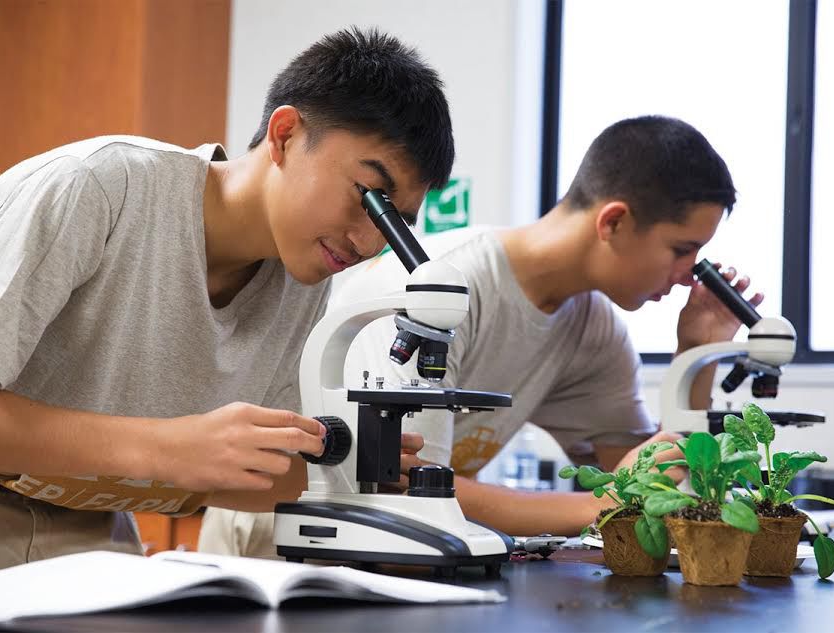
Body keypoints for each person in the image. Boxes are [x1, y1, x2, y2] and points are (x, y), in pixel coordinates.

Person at [0, 27, 454, 575]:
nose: (368, 242)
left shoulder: (303, 280)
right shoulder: (101, 187)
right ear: (284, 135)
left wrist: (350, 471)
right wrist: (167, 447)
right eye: (369, 197)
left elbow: (235, 475)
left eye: (396, 223)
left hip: (94, 530)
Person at [199, 115, 764, 556]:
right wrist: (595, 506)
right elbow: (399, 485)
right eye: (682, 250)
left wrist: (698, 352)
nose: (686, 275)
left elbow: (647, 480)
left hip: (416, 548)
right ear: (613, 222)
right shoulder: (440, 287)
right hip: (285, 537)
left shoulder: (595, 334)